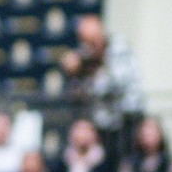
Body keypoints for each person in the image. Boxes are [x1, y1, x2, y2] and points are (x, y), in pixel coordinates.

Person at [58, 16, 144, 152]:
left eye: (93, 40)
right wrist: (73, 70)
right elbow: (78, 89)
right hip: (101, 123)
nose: (89, 46)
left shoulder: (119, 47)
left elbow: (115, 84)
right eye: (85, 41)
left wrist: (88, 68)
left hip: (127, 119)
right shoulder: (86, 53)